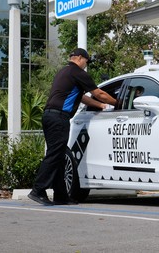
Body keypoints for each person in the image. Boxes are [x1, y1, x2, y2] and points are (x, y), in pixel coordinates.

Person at [28, 48, 117, 206]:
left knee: (60, 156)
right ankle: (38, 190)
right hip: (58, 118)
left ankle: (61, 195)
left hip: (50, 116)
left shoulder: (65, 72)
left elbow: (82, 98)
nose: (86, 66)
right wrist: (118, 103)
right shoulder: (78, 72)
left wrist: (102, 106)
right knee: (55, 155)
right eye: (86, 62)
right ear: (81, 58)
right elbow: (99, 93)